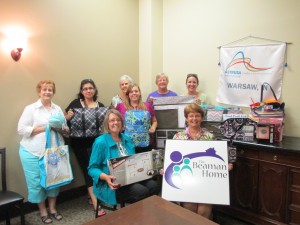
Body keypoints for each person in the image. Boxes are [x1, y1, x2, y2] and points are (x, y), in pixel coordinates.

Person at [88, 109, 159, 209]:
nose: (115, 122)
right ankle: (138, 217)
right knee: (142, 191)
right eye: (112, 120)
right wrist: (106, 177)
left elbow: (134, 161)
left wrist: (149, 161)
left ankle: (146, 214)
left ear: (122, 123)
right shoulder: (100, 142)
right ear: (107, 124)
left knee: (154, 186)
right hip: (111, 183)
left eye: (118, 120)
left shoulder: (127, 139)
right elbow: (92, 169)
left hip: (131, 178)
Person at [18, 80, 67, 224]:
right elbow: (21, 129)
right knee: (37, 183)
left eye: (50, 89)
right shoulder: (31, 109)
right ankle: (43, 211)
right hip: (32, 152)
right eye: (44, 89)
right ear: (39, 92)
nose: (47, 92)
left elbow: (65, 129)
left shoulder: (57, 109)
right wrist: (45, 127)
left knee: (54, 180)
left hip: (54, 152)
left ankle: (52, 208)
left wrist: (60, 127)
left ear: (53, 92)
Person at [172, 103, 233, 219]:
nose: (194, 119)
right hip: (187, 181)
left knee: (203, 213)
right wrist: (167, 169)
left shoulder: (210, 137)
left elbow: (215, 159)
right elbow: (174, 160)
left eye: (197, 116)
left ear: (202, 118)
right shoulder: (178, 137)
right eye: (191, 116)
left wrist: (224, 167)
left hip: (206, 181)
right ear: (186, 118)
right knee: (189, 211)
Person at [64, 79, 105, 214]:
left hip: (97, 144)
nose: (88, 91)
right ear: (81, 91)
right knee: (88, 171)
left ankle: (92, 195)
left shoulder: (100, 105)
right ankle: (96, 204)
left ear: (94, 90)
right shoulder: (75, 104)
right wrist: (68, 117)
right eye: (85, 89)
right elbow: (64, 122)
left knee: (97, 169)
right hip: (79, 144)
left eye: (91, 88)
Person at [116, 83, 157, 153]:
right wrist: (120, 127)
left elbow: (154, 121)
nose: (134, 93)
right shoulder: (121, 106)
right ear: (128, 94)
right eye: (131, 92)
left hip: (145, 144)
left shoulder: (147, 106)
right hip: (127, 143)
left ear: (140, 93)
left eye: (136, 91)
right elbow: (115, 120)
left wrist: (153, 128)